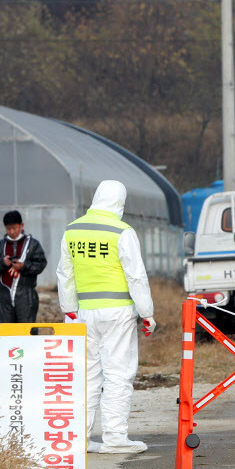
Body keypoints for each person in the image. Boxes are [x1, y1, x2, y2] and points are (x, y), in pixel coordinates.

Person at [56, 180, 156, 454]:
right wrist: (147, 313)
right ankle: (114, 437)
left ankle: (81, 437)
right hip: (118, 311)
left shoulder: (72, 230)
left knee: (87, 374)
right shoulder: (121, 231)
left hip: (83, 312)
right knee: (118, 373)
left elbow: (65, 273)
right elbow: (135, 276)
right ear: (119, 203)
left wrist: (69, 308)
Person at [0, 210, 47, 357]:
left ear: (22, 226)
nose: (12, 231)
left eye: (15, 228)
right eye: (9, 229)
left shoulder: (32, 245)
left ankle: (31, 362)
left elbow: (41, 264)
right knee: (5, 330)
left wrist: (24, 266)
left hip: (26, 294)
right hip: (5, 295)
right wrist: (2, 262)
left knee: (27, 329)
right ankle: (4, 366)